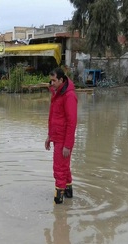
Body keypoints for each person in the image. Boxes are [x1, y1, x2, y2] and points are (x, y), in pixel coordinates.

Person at [45, 67, 78, 204]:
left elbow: (72, 122)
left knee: (59, 168)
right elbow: (53, 118)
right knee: (64, 168)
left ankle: (58, 204)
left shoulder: (69, 96)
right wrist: (49, 137)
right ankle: (68, 193)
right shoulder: (57, 94)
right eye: (50, 80)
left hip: (63, 140)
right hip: (57, 137)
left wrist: (67, 145)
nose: (51, 83)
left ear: (61, 80)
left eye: (54, 80)